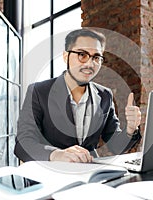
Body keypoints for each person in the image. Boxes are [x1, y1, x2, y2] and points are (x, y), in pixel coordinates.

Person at [14, 28, 142, 163]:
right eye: (82, 54)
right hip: (51, 175)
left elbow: (115, 146)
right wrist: (56, 155)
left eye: (96, 57)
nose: (89, 63)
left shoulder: (105, 96)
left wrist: (130, 129)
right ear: (66, 56)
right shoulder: (39, 91)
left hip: (90, 172)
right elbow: (23, 144)